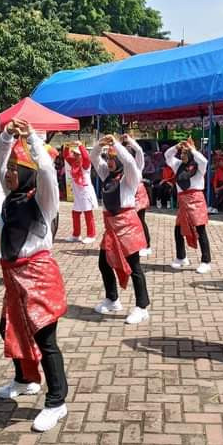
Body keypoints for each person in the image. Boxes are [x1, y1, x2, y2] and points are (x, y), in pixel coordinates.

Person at [0, 118, 69, 433]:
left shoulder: (42, 199)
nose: (8, 172)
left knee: (45, 338)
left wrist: (34, 139)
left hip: (38, 275)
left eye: (14, 169)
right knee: (8, 327)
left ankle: (56, 402)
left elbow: (48, 171)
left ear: (27, 173)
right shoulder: (11, 197)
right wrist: (7, 137)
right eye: (9, 169)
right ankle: (25, 379)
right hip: (13, 276)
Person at [91, 134, 150, 324]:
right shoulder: (105, 174)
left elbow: (131, 161)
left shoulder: (129, 177)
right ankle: (112, 299)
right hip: (110, 227)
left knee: (134, 268)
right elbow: (93, 157)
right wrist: (101, 145)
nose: (109, 161)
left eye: (112, 158)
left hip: (127, 225)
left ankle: (142, 307)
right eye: (108, 158)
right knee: (104, 263)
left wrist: (117, 144)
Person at [165, 138, 212, 274]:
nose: (182, 155)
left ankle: (206, 261)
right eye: (182, 153)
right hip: (183, 201)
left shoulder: (198, 167)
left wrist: (192, 149)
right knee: (178, 229)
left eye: (186, 153)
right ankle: (181, 257)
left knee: (200, 230)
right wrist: (176, 146)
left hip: (196, 199)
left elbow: (204, 161)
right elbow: (167, 156)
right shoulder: (178, 165)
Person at [122, 135, 152, 257]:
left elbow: (139, 150)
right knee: (129, 221)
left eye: (129, 149)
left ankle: (147, 245)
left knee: (140, 220)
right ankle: (133, 244)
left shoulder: (137, 164)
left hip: (138, 194)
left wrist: (130, 140)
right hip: (127, 194)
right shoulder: (122, 165)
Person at [63, 141, 98, 244]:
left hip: (85, 192)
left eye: (77, 154)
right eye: (74, 154)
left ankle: (91, 235)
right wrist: (67, 146)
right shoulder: (73, 163)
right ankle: (76, 234)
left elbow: (87, 158)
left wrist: (80, 146)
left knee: (88, 213)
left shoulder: (85, 164)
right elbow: (66, 156)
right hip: (77, 193)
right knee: (75, 213)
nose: (75, 156)